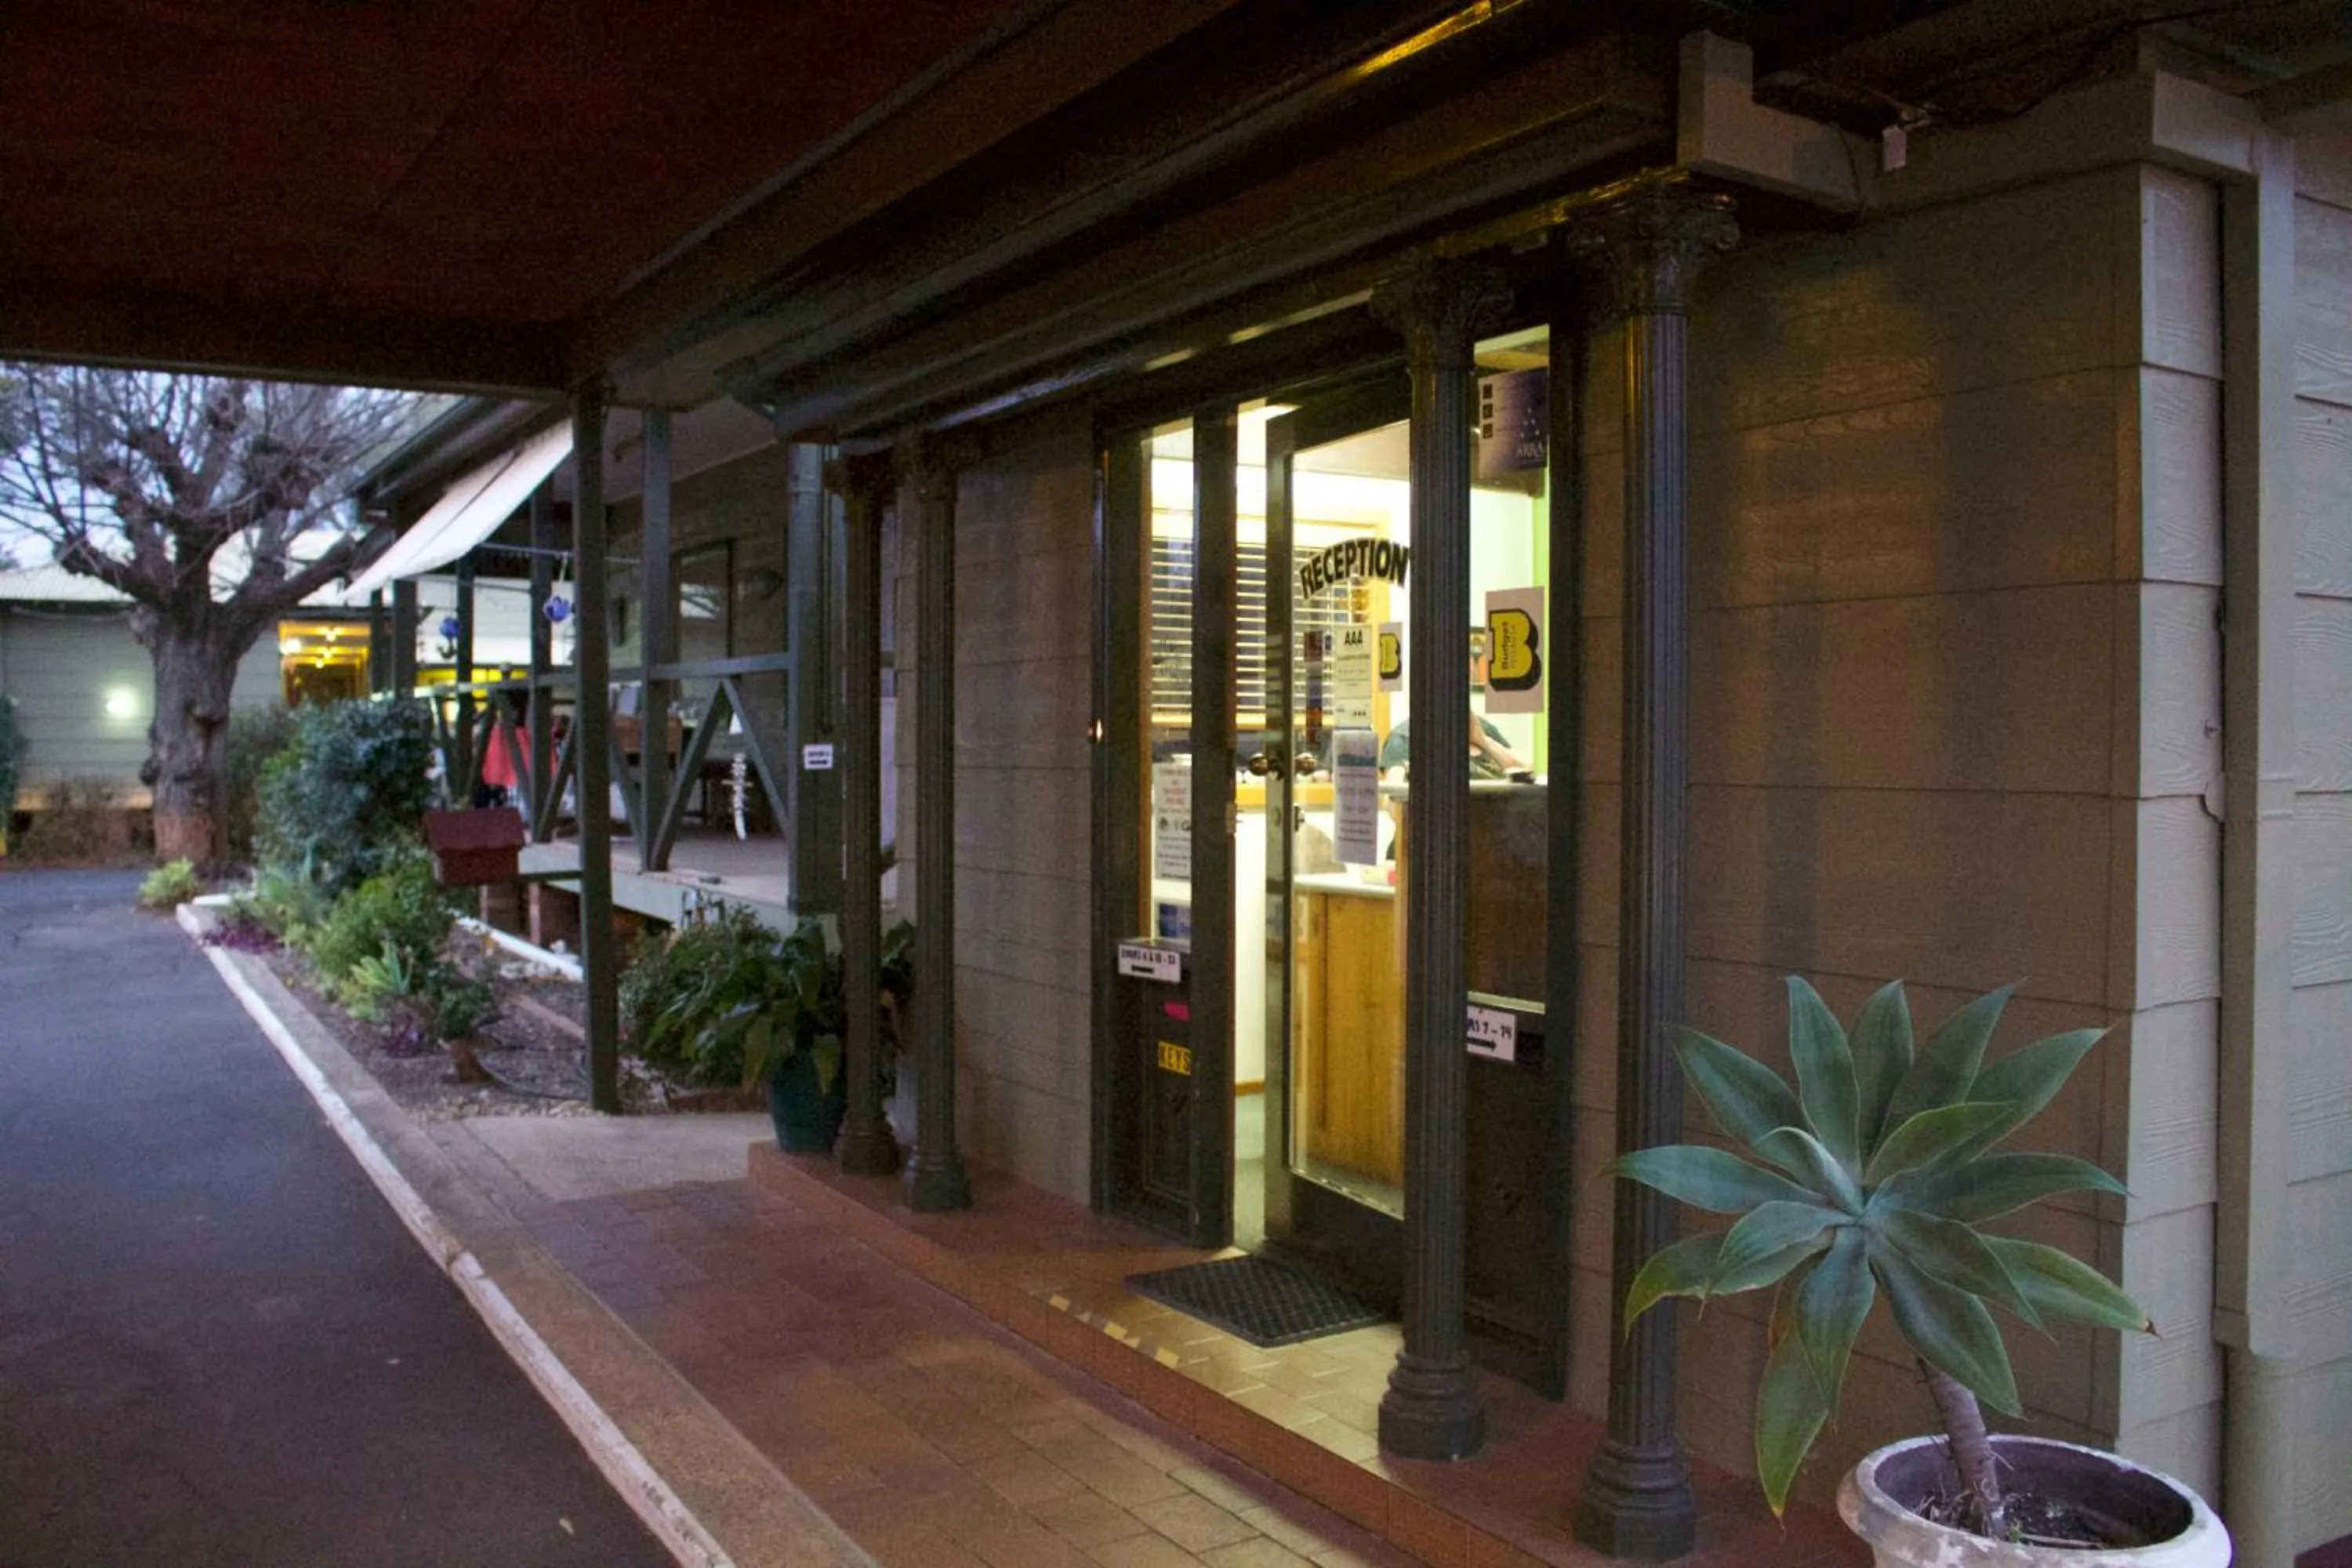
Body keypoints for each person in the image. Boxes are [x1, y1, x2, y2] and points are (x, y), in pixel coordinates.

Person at [1377, 713, 1528, 780]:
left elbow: (1525, 770)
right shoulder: (1404, 738)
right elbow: (1392, 802)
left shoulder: (1478, 726)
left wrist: (1483, 741)